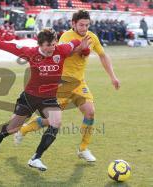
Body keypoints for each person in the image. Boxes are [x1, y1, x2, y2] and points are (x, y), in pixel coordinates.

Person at [0, 28, 90, 171]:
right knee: (13, 128)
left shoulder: (61, 50)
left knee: (56, 123)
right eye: (48, 45)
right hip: (30, 97)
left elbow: (76, 43)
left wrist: (84, 47)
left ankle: (36, 158)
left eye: (53, 44)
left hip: (49, 99)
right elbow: (2, 44)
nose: (51, 48)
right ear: (40, 44)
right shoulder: (30, 52)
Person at [15, 10, 120, 162]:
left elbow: (103, 56)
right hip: (61, 83)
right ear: (73, 24)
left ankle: (83, 149)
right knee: (49, 121)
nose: (84, 28)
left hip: (79, 83)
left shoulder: (92, 37)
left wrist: (113, 77)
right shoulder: (66, 37)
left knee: (90, 112)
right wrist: (80, 48)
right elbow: (60, 55)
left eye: (87, 25)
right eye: (81, 25)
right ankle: (24, 129)